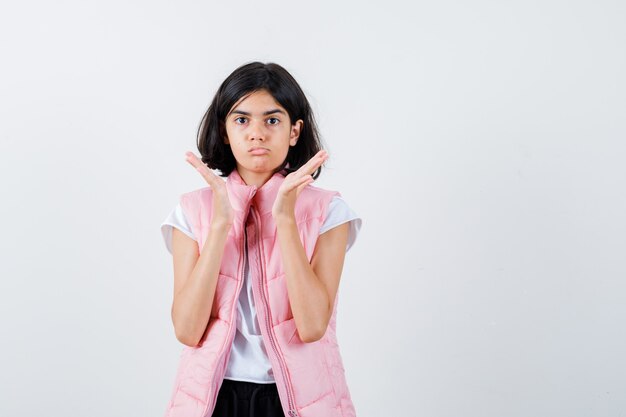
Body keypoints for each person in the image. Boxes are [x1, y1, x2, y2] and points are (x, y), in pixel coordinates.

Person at [160, 61, 362, 417]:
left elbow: (313, 326)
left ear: (294, 131)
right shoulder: (191, 211)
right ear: (224, 131)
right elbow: (188, 331)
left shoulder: (329, 211)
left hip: (299, 401)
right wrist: (221, 224)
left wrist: (284, 218)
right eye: (241, 120)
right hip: (213, 398)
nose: (256, 133)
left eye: (272, 120)